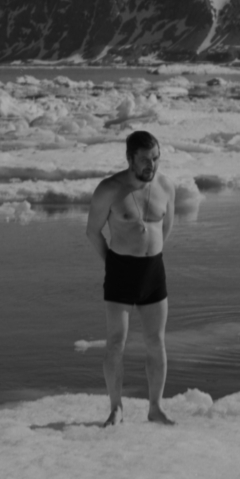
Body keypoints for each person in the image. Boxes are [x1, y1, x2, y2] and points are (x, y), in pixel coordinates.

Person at [85, 130, 176, 426]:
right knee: (115, 343)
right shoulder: (109, 189)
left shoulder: (165, 187)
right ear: (129, 159)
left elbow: (165, 228)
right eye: (145, 160)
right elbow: (92, 232)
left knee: (156, 341)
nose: (152, 165)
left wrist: (151, 253)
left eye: (155, 158)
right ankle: (116, 408)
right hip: (121, 272)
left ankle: (155, 407)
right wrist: (112, 263)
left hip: (153, 272)